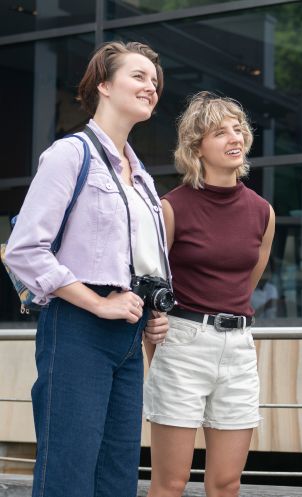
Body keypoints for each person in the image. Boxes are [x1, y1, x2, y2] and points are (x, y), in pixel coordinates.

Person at [4, 41, 169, 497]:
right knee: (69, 475)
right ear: (103, 84)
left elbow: (139, 257)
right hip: (78, 328)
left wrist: (152, 310)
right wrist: (98, 302)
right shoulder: (69, 155)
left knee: (117, 477)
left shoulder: (143, 179)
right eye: (138, 76)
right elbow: (24, 249)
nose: (150, 87)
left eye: (154, 81)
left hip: (128, 337)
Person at [143, 92, 275, 497]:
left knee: (226, 483)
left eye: (238, 129)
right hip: (183, 343)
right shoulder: (170, 208)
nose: (234, 137)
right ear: (196, 147)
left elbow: (246, 281)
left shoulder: (262, 211)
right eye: (220, 132)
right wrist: (156, 345)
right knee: (171, 483)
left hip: (238, 346)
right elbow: (151, 283)